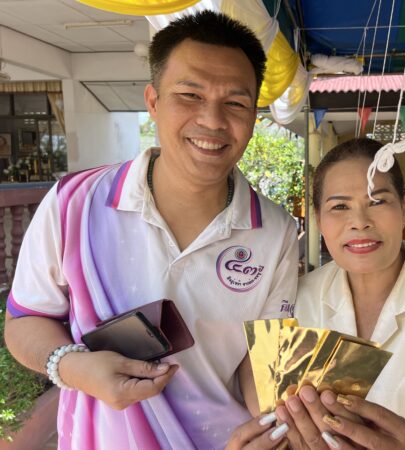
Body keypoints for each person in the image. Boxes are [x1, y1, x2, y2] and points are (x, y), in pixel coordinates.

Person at [3, 11, 298, 449]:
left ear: (254, 115)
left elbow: (260, 363)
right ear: (154, 102)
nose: (213, 121)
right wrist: (74, 367)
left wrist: (276, 426)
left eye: (236, 103)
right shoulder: (74, 202)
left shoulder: (276, 231)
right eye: (190, 95)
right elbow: (26, 319)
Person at [230, 138, 405, 449]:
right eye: (339, 206)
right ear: (318, 219)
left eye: (378, 202)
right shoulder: (296, 300)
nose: (360, 222)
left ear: (403, 209)